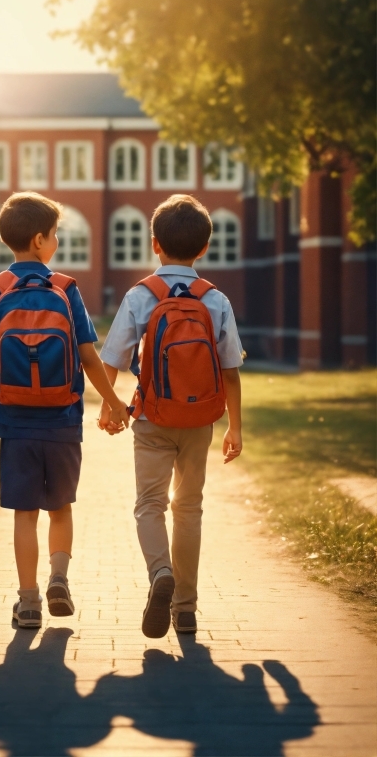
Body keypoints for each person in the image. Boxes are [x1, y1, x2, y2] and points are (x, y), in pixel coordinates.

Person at [0, 191, 130, 629]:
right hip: (62, 420)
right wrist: (115, 403)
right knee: (60, 506)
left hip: (13, 419)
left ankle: (28, 601)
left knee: (25, 512)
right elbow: (89, 358)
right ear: (40, 240)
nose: (57, 240)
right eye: (56, 234)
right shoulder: (66, 289)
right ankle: (59, 577)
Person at [98, 194, 244, 638]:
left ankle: (160, 572)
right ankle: (186, 607)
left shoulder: (142, 295)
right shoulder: (214, 299)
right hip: (200, 422)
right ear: (204, 249)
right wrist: (235, 427)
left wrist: (111, 406)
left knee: (150, 505)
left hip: (153, 419)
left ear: (154, 243)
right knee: (190, 507)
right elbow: (230, 370)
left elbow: (113, 359)